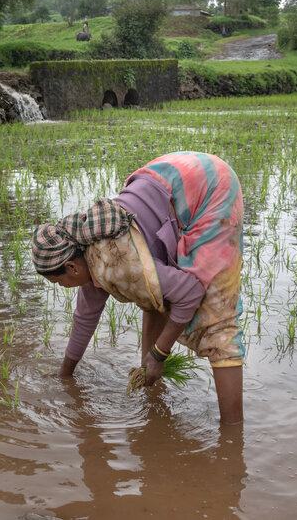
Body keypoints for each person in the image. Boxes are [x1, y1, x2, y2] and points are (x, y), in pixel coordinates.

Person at [32, 151, 245, 424]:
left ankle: (232, 439)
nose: (62, 287)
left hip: (212, 186)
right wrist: (65, 377)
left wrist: (158, 354)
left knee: (218, 324)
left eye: (58, 281)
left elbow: (191, 292)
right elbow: (84, 320)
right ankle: (154, 392)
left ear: (72, 267)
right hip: (167, 173)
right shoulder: (88, 252)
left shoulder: (115, 264)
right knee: (153, 289)